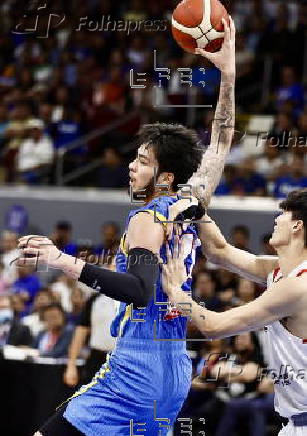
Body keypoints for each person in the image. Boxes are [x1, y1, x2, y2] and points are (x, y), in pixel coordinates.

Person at [18, 17, 236, 436]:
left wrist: (60, 260)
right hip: (173, 369)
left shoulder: (147, 217)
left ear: (166, 176)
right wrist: (226, 73)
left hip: (135, 365)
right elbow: (222, 140)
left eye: (142, 162)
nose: (132, 168)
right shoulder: (190, 201)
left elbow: (137, 290)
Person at [162, 188, 307, 435]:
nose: (276, 219)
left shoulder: (297, 285)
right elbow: (220, 252)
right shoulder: (280, 271)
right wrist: (199, 211)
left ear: (297, 226)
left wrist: (176, 293)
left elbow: (213, 326)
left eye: (283, 213)